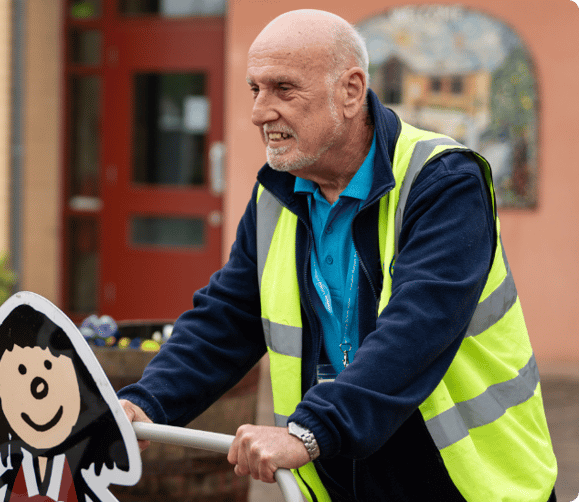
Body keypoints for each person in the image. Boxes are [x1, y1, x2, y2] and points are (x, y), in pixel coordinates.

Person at [117, 9, 557, 502]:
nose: (261, 111)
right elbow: (225, 320)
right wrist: (142, 404)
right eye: (254, 90)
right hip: (343, 478)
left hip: (468, 485)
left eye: (284, 89)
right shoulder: (278, 195)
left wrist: (309, 431)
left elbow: (415, 330)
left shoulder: (443, 182)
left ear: (350, 91)